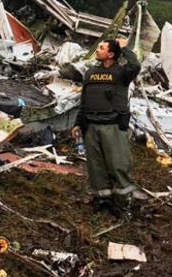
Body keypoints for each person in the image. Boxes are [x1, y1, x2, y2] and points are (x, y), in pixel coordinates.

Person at [71, 38, 141, 218]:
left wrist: (125, 48)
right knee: (96, 167)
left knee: (118, 166)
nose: (97, 50)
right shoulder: (91, 73)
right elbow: (84, 100)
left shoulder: (122, 73)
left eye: (101, 48)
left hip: (113, 126)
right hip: (91, 126)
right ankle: (103, 201)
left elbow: (135, 66)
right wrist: (78, 123)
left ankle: (124, 204)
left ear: (110, 54)